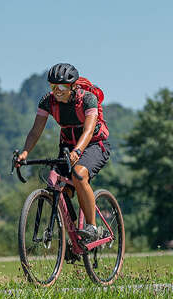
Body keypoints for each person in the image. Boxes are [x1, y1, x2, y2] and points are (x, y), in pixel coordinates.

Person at [16, 63, 110, 243]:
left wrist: (78, 151)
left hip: (94, 145)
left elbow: (89, 131)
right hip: (67, 146)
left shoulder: (88, 99)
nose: (57, 91)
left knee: (79, 175)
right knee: (57, 185)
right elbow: (35, 131)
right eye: (53, 86)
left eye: (61, 87)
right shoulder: (47, 102)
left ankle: (92, 227)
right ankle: (74, 238)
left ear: (73, 86)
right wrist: (25, 152)